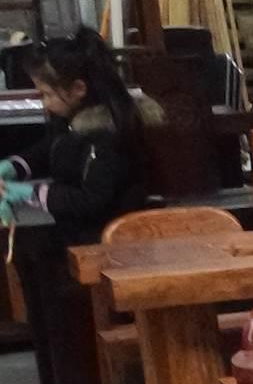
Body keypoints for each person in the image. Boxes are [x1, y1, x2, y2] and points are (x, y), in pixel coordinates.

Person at [0, 28, 158, 241]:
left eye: (46, 94)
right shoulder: (70, 122)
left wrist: (31, 194)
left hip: (111, 240)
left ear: (78, 89)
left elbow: (92, 200)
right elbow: (50, 149)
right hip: (76, 234)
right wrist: (14, 167)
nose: (44, 103)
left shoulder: (110, 135)